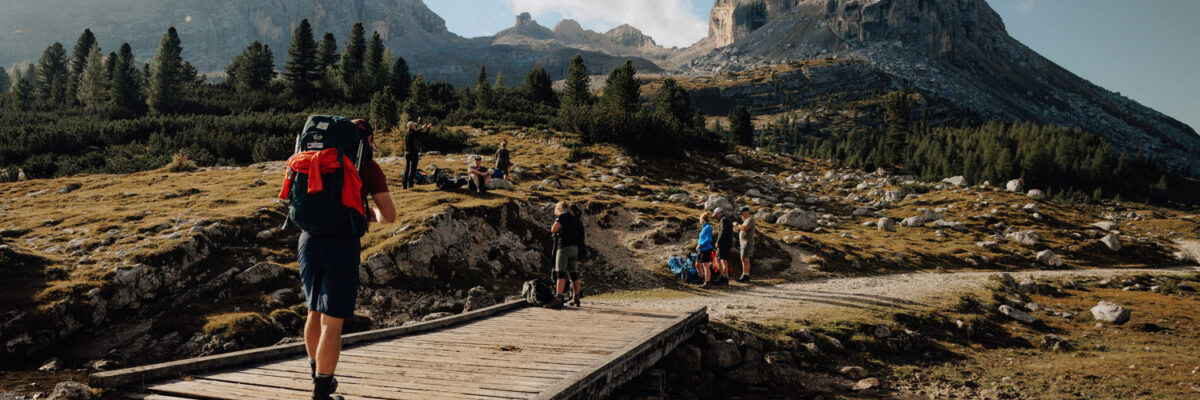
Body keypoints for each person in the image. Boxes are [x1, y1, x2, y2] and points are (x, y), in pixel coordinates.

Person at [301, 119, 395, 400]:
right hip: (341, 242)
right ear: (367, 141)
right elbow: (388, 216)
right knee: (333, 322)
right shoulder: (367, 166)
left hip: (308, 239)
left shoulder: (316, 156)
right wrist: (368, 215)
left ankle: (318, 378)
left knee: (313, 313)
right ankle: (321, 394)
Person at [550, 200, 583, 307]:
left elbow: (553, 229)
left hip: (563, 247)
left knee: (560, 273)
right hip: (575, 249)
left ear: (560, 209)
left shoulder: (563, 216)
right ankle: (576, 297)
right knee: (573, 274)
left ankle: (559, 297)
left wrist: (556, 231)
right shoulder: (576, 219)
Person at [401, 118, 432, 190]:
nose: (415, 126)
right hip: (411, 153)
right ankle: (406, 185)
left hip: (411, 153)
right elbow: (416, 133)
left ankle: (408, 185)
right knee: (409, 170)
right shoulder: (410, 134)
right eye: (414, 125)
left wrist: (428, 128)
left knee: (411, 170)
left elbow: (425, 134)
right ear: (411, 127)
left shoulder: (412, 133)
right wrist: (422, 128)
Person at [734, 206, 756, 282]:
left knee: (744, 258)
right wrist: (737, 228)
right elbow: (742, 228)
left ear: (746, 212)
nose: (741, 215)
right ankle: (745, 275)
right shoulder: (746, 220)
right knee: (744, 259)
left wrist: (737, 225)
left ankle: (745, 275)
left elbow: (745, 228)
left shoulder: (750, 219)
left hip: (747, 242)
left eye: (742, 213)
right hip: (744, 242)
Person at [713, 207, 734, 285]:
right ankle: (725, 278)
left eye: (716, 215)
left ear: (720, 213)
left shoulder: (723, 220)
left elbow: (723, 231)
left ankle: (723, 277)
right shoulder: (727, 219)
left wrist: (718, 241)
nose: (716, 217)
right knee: (721, 260)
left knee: (720, 260)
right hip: (727, 243)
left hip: (723, 244)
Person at [696, 211, 715, 288]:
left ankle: (707, 282)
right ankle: (701, 278)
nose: (699, 220)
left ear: (704, 219)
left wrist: (700, 245)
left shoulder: (708, 227)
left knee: (706, 266)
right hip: (701, 249)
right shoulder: (704, 227)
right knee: (697, 264)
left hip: (706, 249)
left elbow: (709, 239)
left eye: (700, 219)